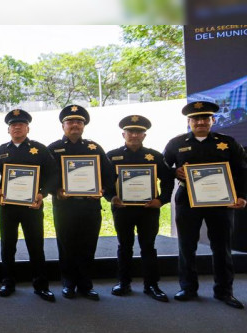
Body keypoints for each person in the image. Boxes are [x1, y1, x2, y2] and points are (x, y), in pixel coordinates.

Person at [163, 101, 247, 309]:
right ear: (189, 121)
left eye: (205, 118)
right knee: (187, 246)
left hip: (221, 201)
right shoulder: (176, 143)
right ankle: (188, 288)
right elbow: (163, 168)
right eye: (196, 119)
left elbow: (242, 170)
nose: (200, 122)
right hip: (187, 200)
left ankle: (224, 291)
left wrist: (242, 196)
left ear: (213, 120)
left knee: (221, 247)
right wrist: (174, 172)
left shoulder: (227, 142)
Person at [47, 105, 115, 301]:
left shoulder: (94, 148)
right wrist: (56, 190)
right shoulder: (53, 149)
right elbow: (45, 176)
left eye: (79, 122)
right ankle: (68, 283)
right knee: (66, 245)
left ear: (84, 126)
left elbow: (110, 174)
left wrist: (102, 190)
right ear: (63, 126)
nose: (75, 125)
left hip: (89, 206)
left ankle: (86, 284)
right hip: (64, 206)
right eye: (70, 122)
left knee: (88, 245)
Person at [105, 115, 174, 302]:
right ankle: (123, 283)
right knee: (124, 246)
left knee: (148, 246)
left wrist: (161, 200)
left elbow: (168, 180)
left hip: (148, 209)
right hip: (122, 209)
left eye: (138, 132)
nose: (134, 135)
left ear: (144, 135)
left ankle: (151, 285)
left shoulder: (154, 156)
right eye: (130, 131)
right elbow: (104, 181)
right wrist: (111, 197)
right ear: (123, 134)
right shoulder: (112, 156)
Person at [0, 109, 56, 302]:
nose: (17, 127)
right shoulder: (1, 151)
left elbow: (53, 175)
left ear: (28, 128)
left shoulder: (39, 149)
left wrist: (42, 193)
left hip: (32, 207)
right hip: (8, 208)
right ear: (8, 129)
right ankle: (7, 282)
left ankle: (41, 285)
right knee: (7, 246)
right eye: (13, 125)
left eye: (21, 124)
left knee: (36, 246)